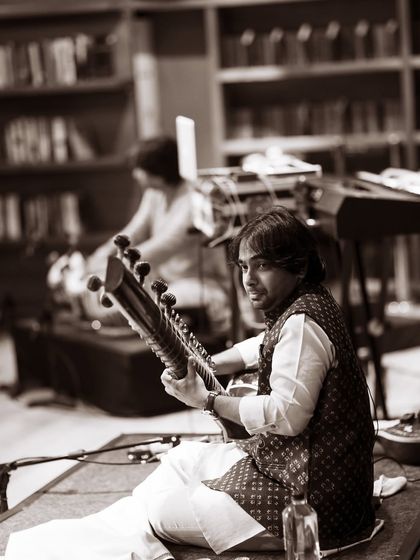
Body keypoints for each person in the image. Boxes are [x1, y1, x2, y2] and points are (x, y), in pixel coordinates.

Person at [5, 206, 376, 559]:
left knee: (157, 511)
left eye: (262, 265)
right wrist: (208, 363)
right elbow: (265, 343)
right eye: (244, 266)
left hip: (313, 500)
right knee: (181, 460)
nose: (248, 279)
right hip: (299, 469)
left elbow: (286, 416)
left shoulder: (301, 324)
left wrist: (208, 400)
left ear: (298, 266)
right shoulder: (309, 302)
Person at [85, 135, 230, 334]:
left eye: (140, 169)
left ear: (158, 172)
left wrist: (110, 266)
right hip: (165, 280)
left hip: (198, 284)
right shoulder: (154, 193)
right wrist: (101, 253)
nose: (135, 174)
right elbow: (133, 231)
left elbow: (164, 246)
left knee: (139, 307)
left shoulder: (191, 200)